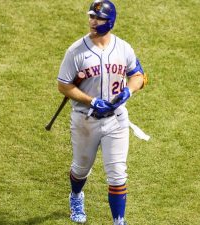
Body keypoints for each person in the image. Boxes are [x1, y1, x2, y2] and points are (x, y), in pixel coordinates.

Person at [56, 0, 146, 224]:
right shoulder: (76, 51)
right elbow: (64, 86)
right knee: (81, 168)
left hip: (116, 121)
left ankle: (119, 221)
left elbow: (139, 76)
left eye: (98, 18)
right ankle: (76, 195)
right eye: (91, 17)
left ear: (110, 22)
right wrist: (92, 100)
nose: (93, 22)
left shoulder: (123, 48)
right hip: (85, 120)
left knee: (117, 174)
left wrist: (127, 92)